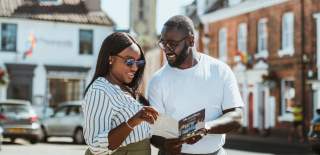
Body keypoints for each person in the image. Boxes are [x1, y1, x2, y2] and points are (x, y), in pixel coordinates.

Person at [148, 15, 244, 155]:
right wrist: (164, 144)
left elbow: (237, 116)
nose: (166, 49)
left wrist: (205, 127)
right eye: (163, 43)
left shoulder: (220, 70)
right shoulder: (157, 80)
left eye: (173, 44)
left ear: (191, 40)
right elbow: (154, 131)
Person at [83, 32, 159, 155]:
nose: (135, 68)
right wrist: (133, 121)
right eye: (129, 61)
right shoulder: (100, 90)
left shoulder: (126, 89)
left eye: (138, 62)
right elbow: (96, 146)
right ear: (110, 59)